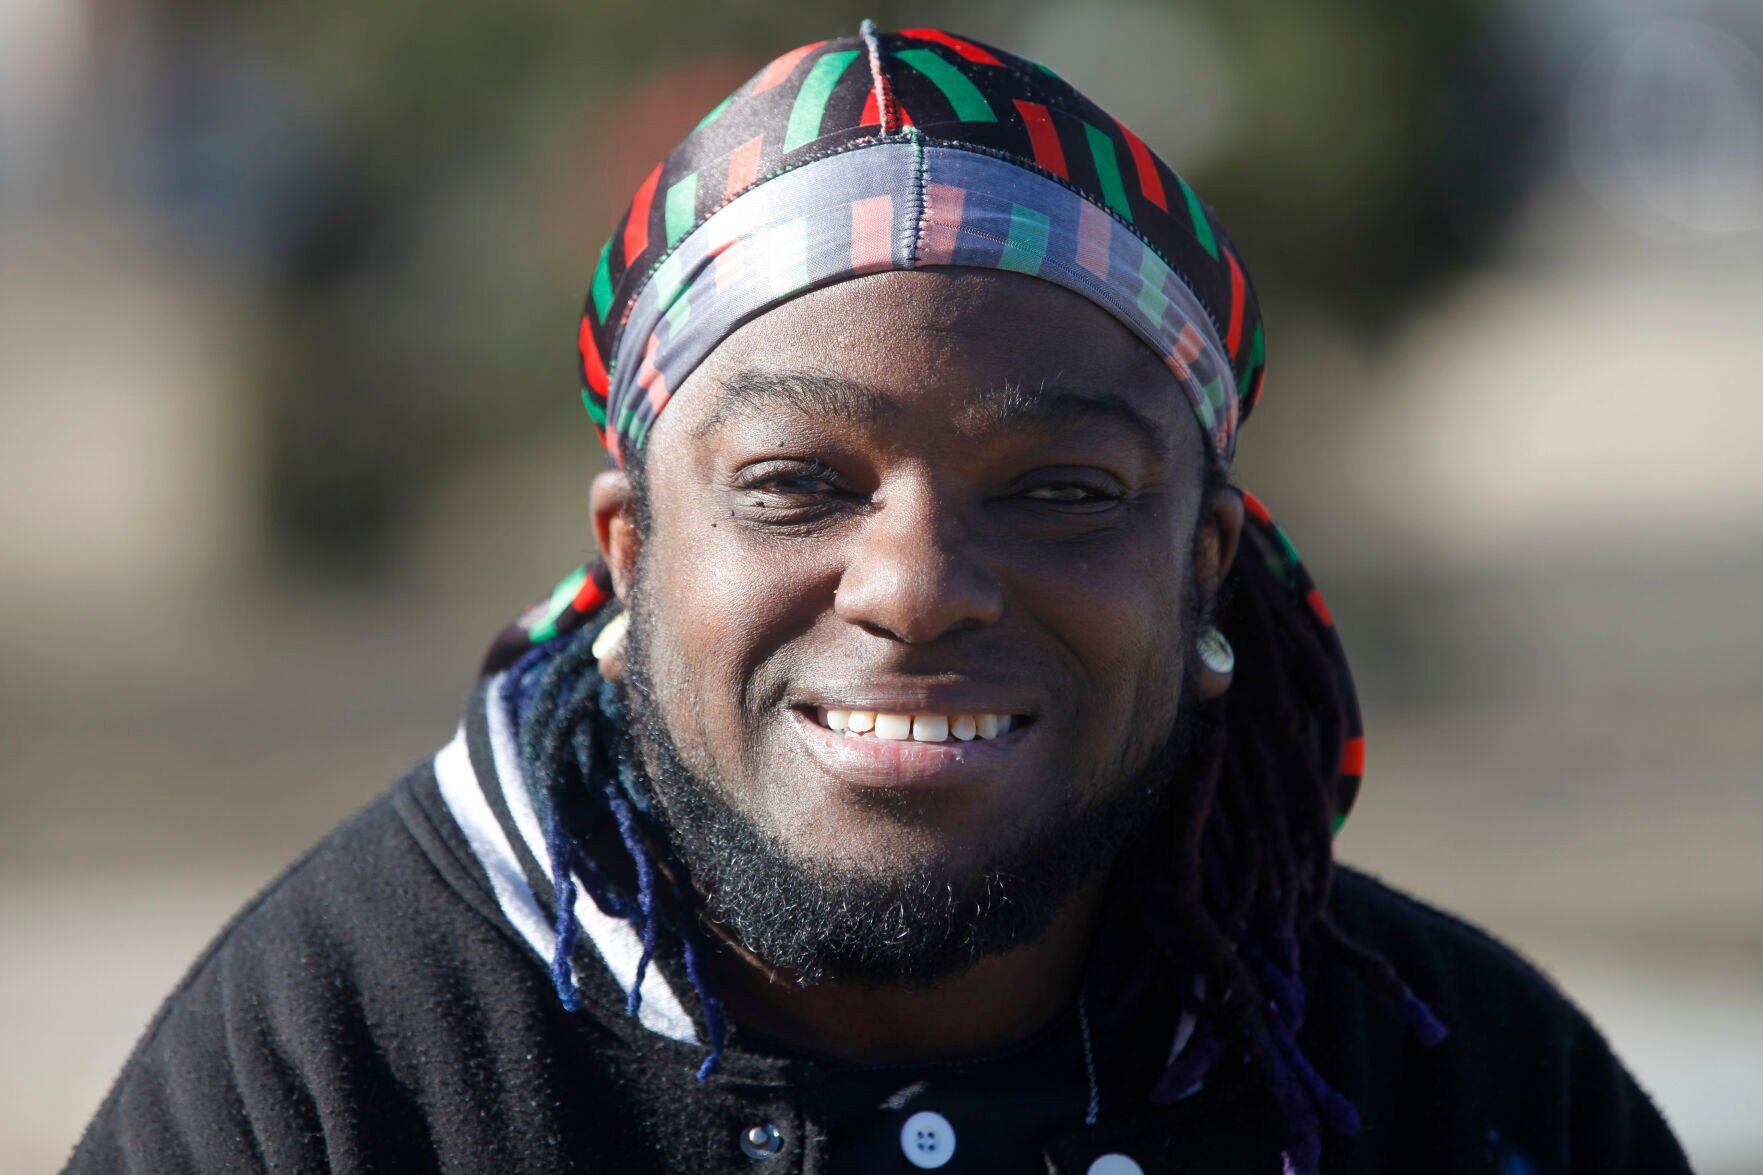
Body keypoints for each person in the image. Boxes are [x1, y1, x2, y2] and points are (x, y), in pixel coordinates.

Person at [68, 23, 1691, 1175]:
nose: (915, 590)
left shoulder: (1454, 1085)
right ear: (632, 553)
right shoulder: (342, 1058)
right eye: (796, 486)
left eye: (1062, 491)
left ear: (1203, 565)